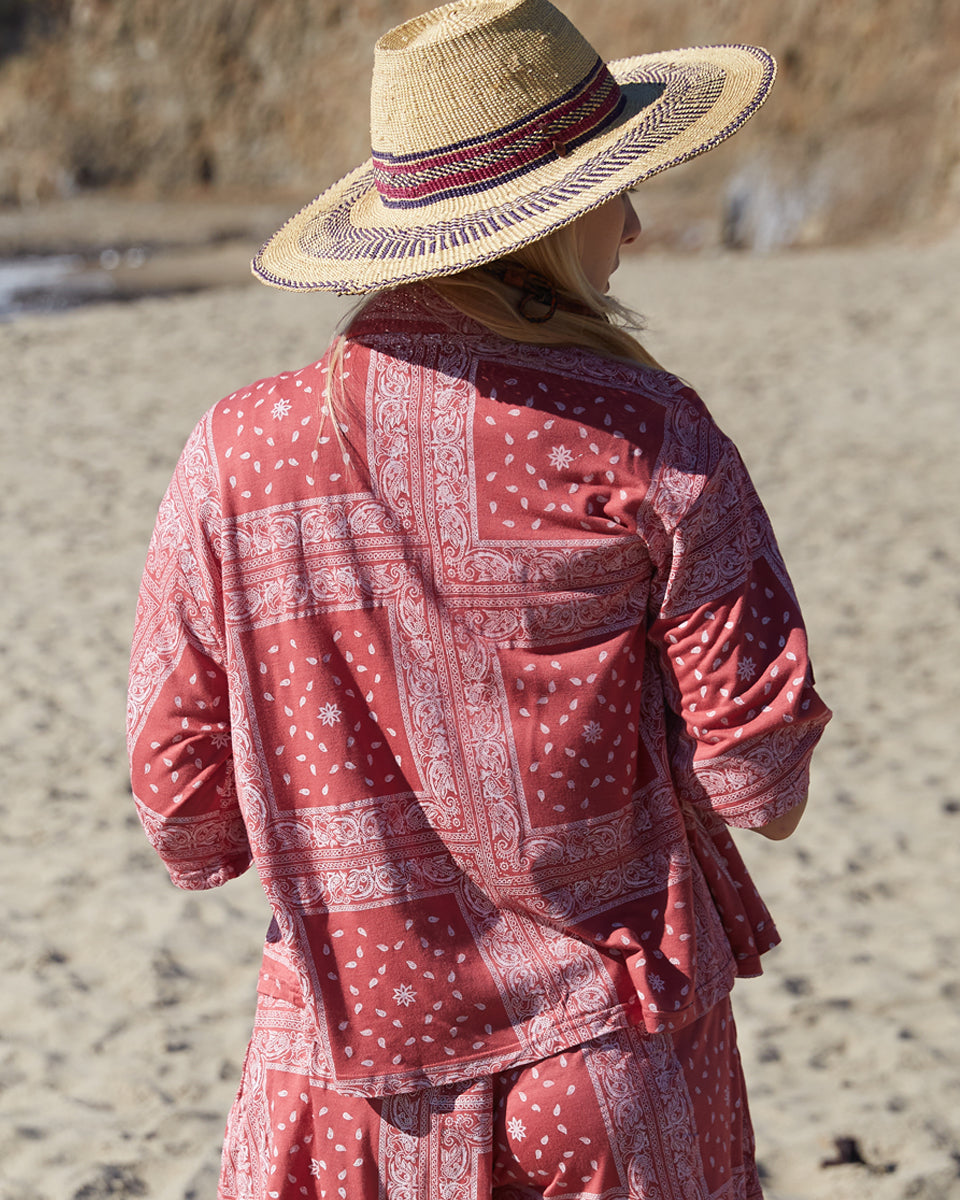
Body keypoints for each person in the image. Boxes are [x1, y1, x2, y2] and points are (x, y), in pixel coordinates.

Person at [127, 2, 831, 1197]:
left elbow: (188, 816)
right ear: (551, 225)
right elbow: (760, 783)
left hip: (344, 1084)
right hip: (604, 1070)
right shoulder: (650, 437)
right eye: (619, 190)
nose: (639, 222)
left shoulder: (233, 456)